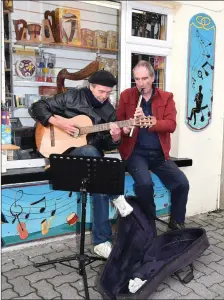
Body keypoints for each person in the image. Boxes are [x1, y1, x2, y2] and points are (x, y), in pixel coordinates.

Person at [29, 70, 133, 258]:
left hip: (91, 165)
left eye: (108, 93)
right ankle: (115, 197)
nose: (105, 96)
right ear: (90, 86)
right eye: (101, 91)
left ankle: (102, 242)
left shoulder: (109, 111)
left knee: (99, 173)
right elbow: (37, 107)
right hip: (62, 159)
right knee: (92, 154)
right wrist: (59, 123)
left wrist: (116, 137)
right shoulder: (72, 97)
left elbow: (105, 143)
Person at [116, 60, 189, 230]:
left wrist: (152, 122)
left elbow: (171, 125)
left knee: (182, 183)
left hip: (159, 154)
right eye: (137, 79)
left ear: (152, 77)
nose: (141, 83)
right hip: (135, 153)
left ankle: (177, 223)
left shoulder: (167, 97)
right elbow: (119, 122)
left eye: (144, 79)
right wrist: (125, 129)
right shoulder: (127, 95)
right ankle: (149, 221)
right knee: (144, 184)